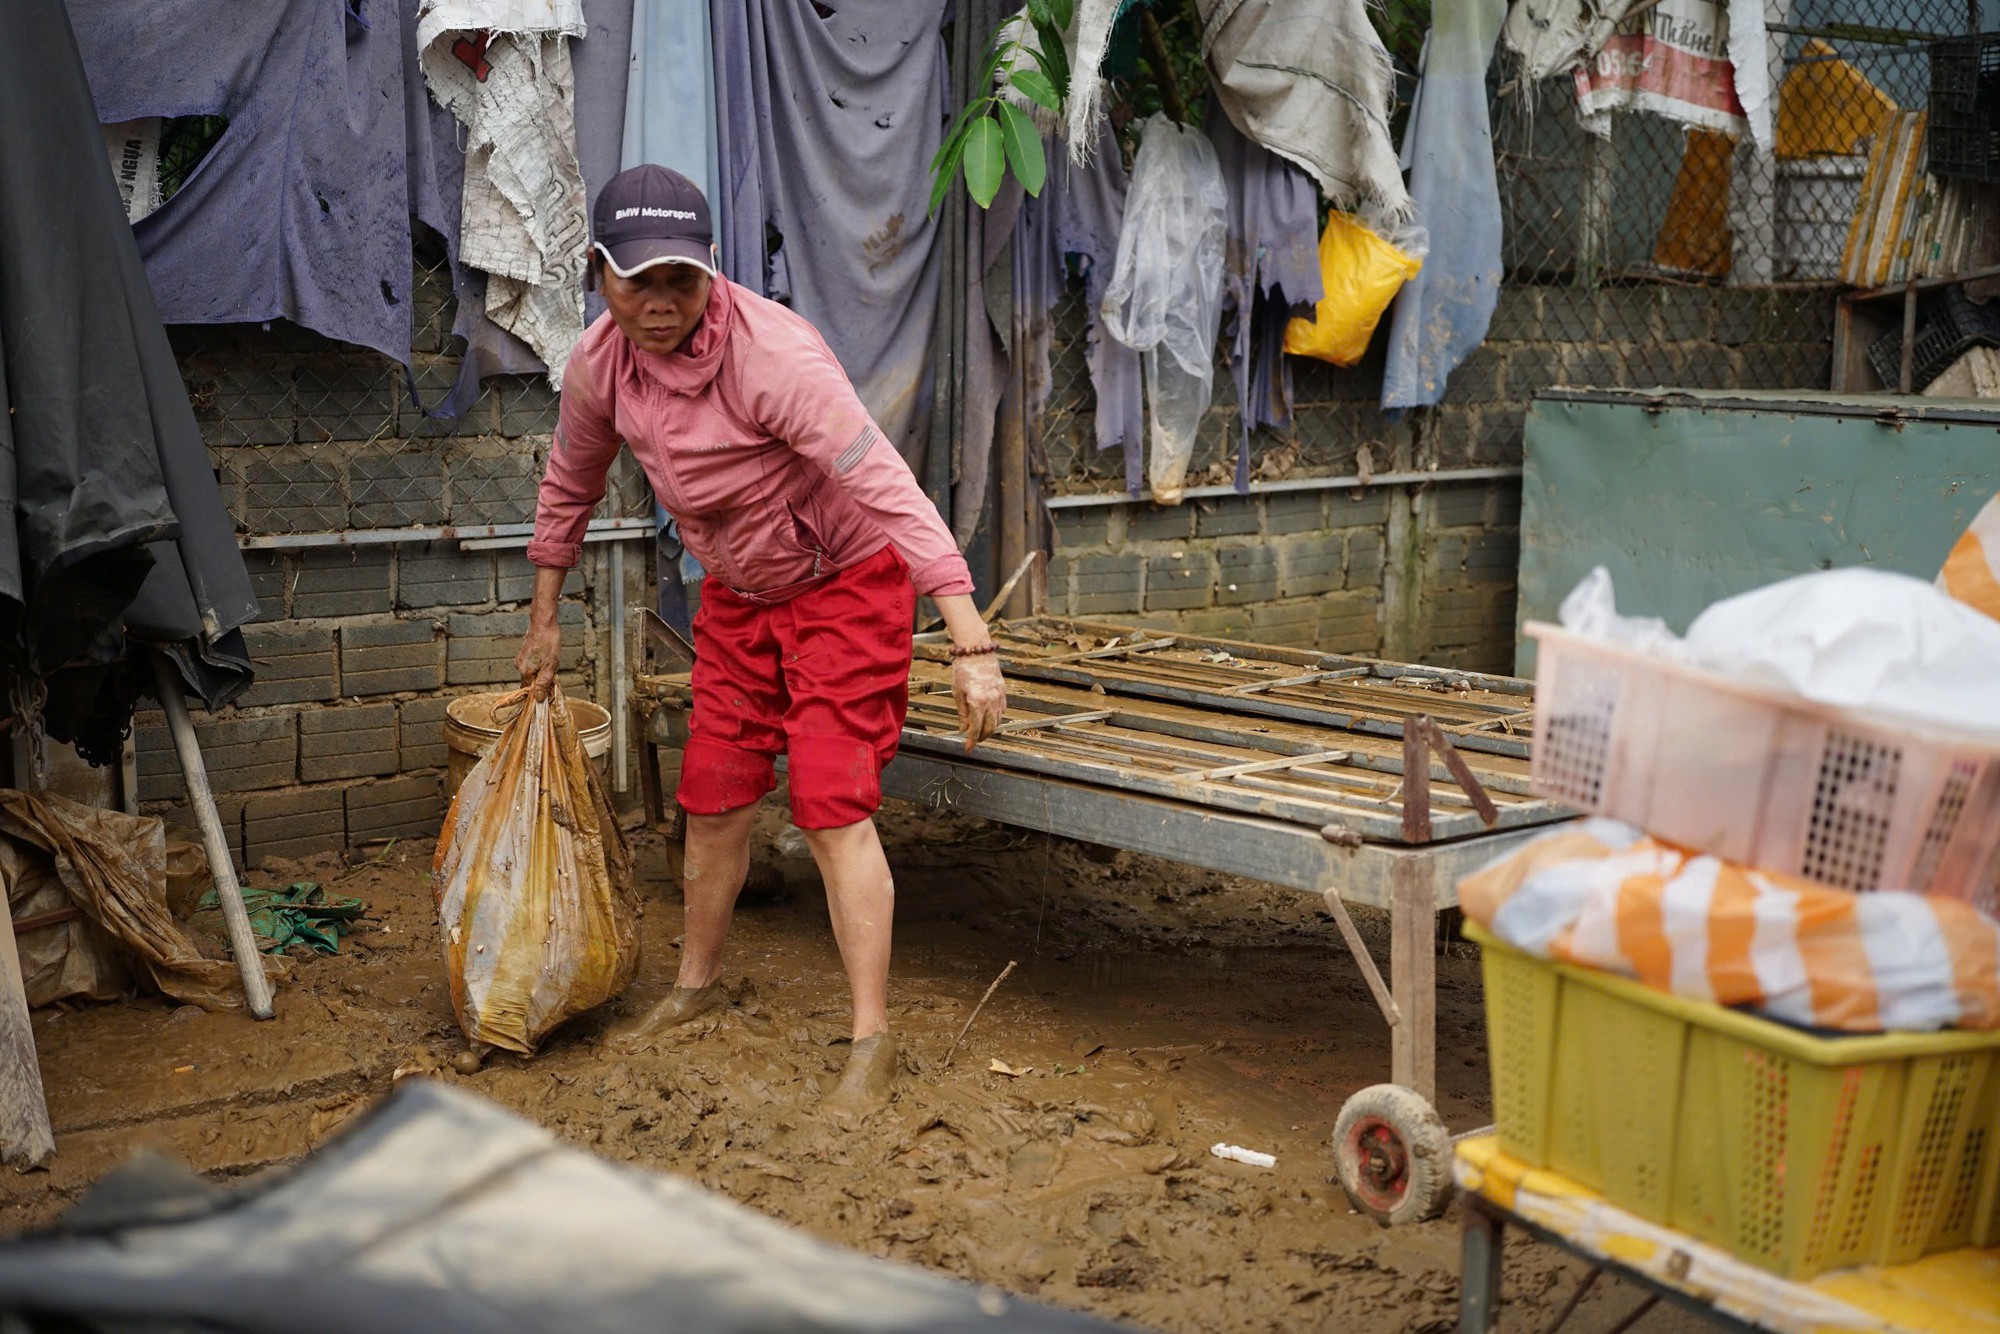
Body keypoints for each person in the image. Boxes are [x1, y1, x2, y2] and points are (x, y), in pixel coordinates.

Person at [518, 165, 1006, 1111]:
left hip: (844, 587)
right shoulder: (599, 366)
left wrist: (969, 640)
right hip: (739, 597)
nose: (660, 304)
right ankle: (696, 985)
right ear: (598, 273)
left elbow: (884, 484)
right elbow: (569, 486)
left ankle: (871, 1038)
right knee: (712, 795)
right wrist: (543, 620)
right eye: (636, 282)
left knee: (828, 804)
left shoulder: (773, 356)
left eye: (681, 280)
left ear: (711, 268)